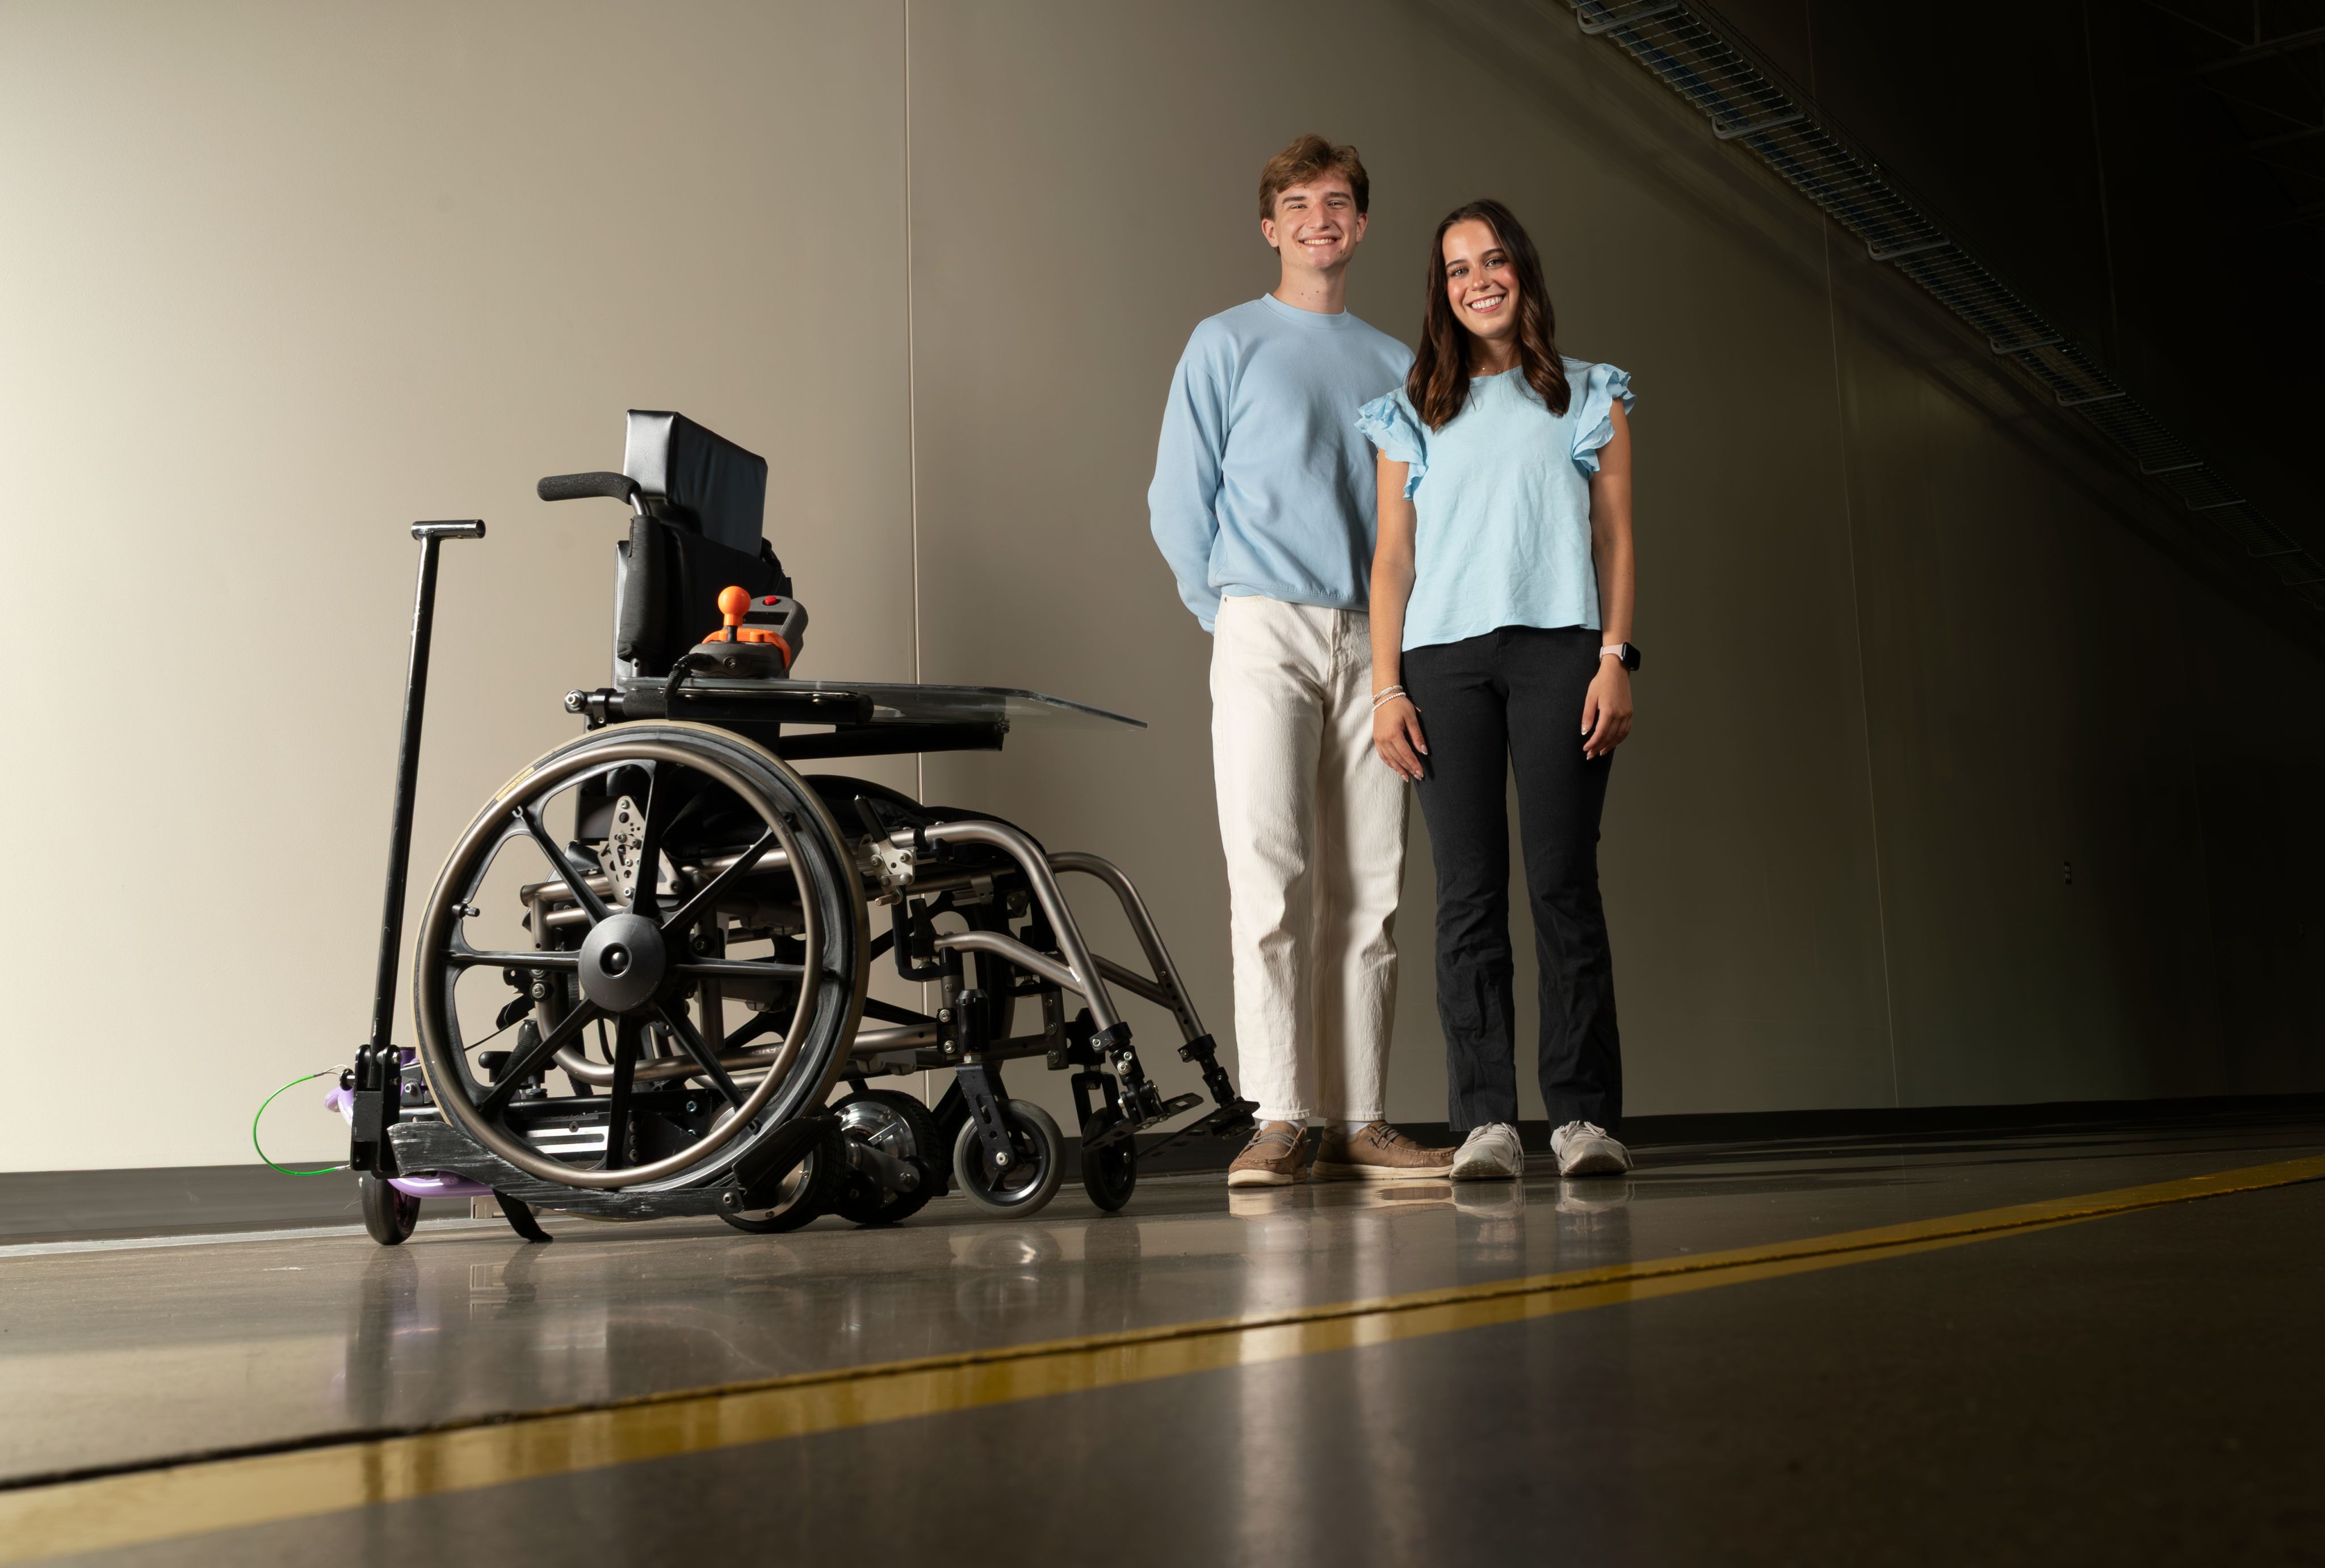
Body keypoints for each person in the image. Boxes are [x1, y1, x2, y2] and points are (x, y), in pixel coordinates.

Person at [1148, 134, 1454, 1187]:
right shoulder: (1224, 343)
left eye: (1338, 202)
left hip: (1373, 644)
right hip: (1262, 629)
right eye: (1298, 203)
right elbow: (1176, 504)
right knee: (1270, 878)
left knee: (1372, 884)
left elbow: (1409, 528)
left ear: (1361, 226)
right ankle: (1281, 1117)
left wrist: (1394, 659)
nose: (1319, 217)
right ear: (1271, 228)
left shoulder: (1396, 366)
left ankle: (1359, 1122)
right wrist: (1231, 618)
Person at [1357, 199, 1639, 1181]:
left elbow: (1614, 538)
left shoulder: (1589, 393)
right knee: (1468, 896)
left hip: (1561, 654)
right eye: (1456, 268)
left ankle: (1582, 1120)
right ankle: (1484, 1121)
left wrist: (1615, 657)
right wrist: (1386, 688)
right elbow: (1392, 559)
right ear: (1440, 290)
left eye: (1492, 260)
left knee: (1564, 885)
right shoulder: (1412, 410)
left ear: (1521, 269)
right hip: (1442, 666)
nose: (1477, 279)